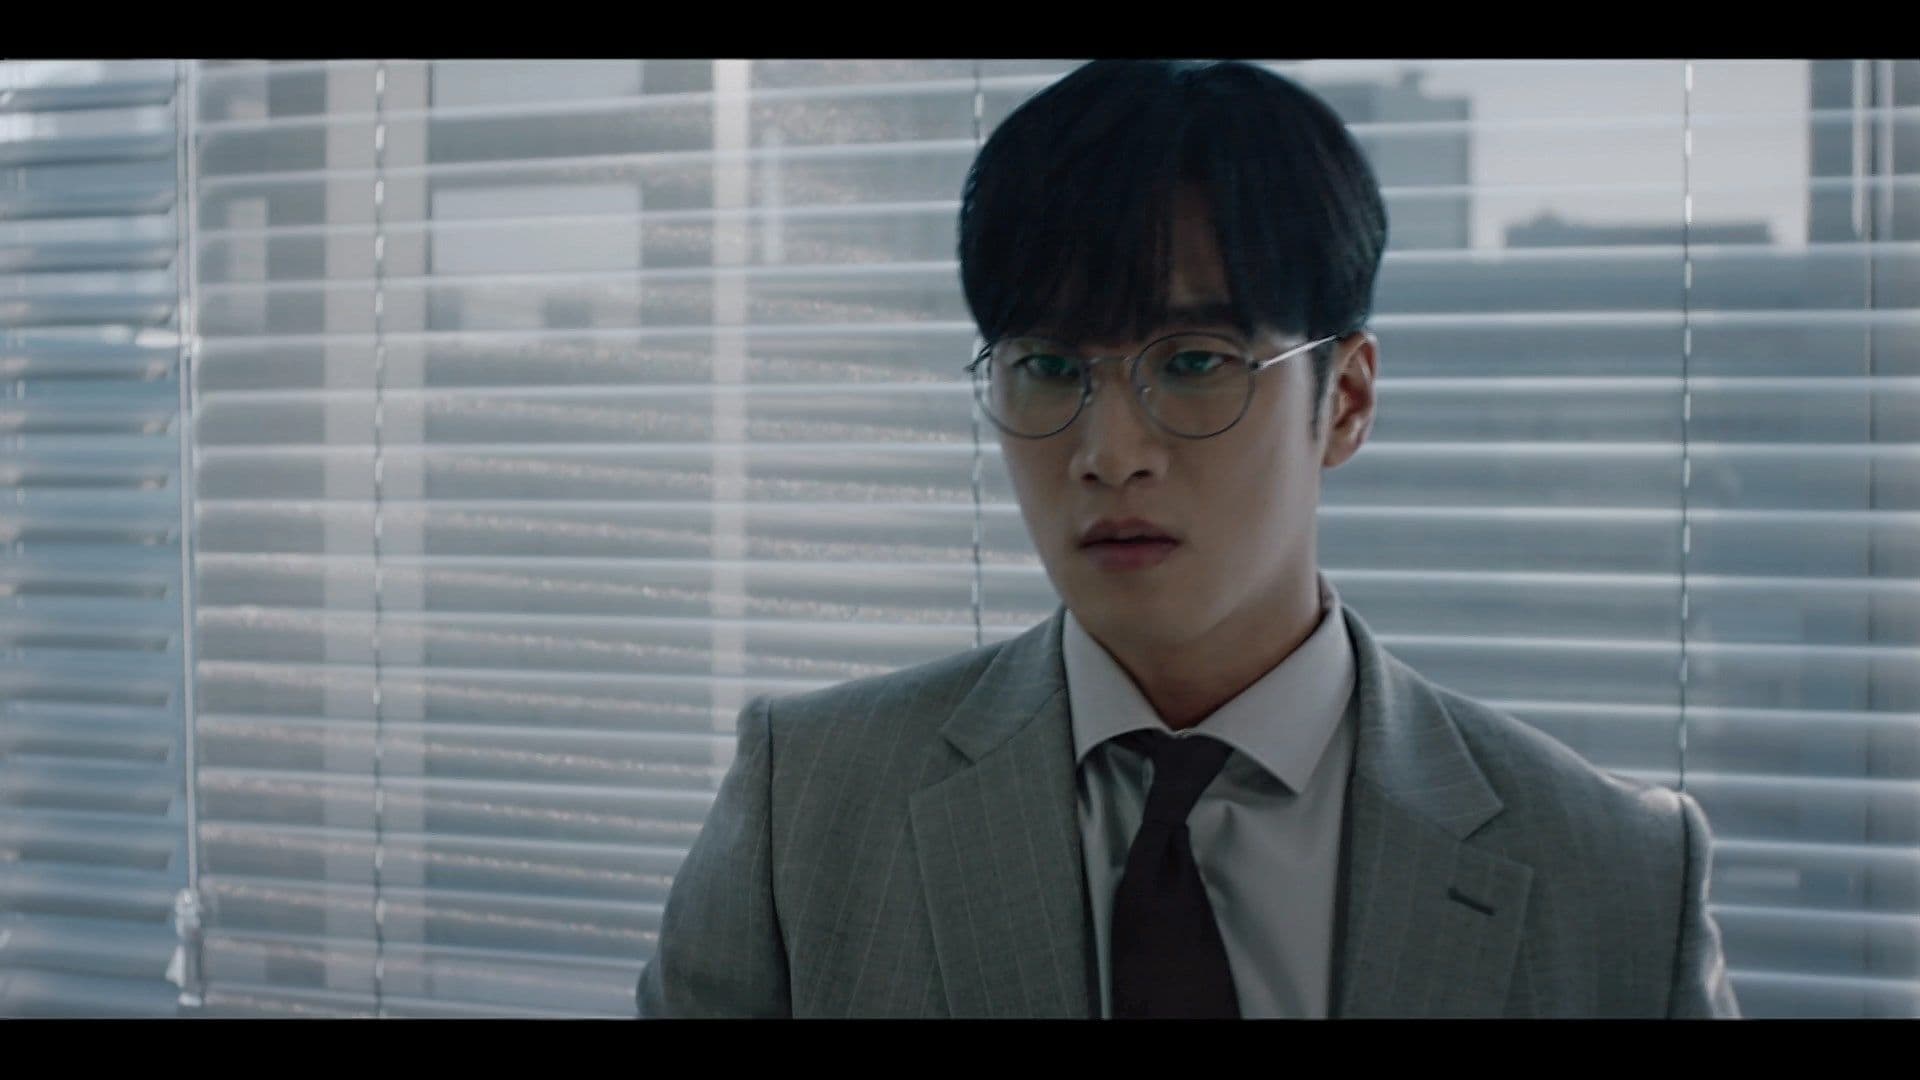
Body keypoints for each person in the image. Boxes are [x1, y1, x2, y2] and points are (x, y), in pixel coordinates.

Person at [636, 59, 1740, 1019]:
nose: (1109, 452)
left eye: (1195, 361)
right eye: (1049, 367)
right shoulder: (809, 810)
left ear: (1346, 401)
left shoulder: (1616, 876)